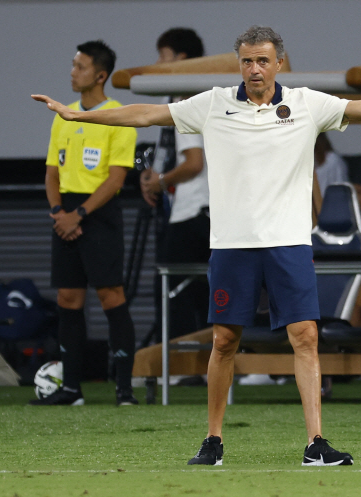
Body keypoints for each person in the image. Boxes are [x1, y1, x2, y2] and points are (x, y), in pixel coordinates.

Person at [32, 25, 361, 465]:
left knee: (306, 336)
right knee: (224, 340)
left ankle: (316, 443)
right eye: (247, 61)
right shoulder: (213, 103)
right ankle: (213, 441)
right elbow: (146, 114)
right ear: (239, 64)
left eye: (263, 60)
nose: (254, 68)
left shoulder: (306, 103)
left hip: (289, 243)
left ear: (278, 63)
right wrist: (77, 116)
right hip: (232, 245)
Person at [30, 40, 139, 406]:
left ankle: (124, 391)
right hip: (64, 213)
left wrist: (79, 215)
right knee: (68, 297)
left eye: (80, 66)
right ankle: (71, 389)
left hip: (99, 214)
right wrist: (59, 212)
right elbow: (51, 173)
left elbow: (116, 178)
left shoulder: (118, 116)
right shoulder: (64, 115)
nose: (73, 72)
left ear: (100, 75)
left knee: (111, 296)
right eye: (73, 65)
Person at [139, 28, 210, 343]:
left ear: (181, 59)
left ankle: (177, 360)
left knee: (172, 290)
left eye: (163, 56)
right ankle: (204, 359)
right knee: (200, 290)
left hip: (193, 210)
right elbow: (173, 152)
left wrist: (162, 181)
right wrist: (154, 176)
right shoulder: (178, 98)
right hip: (200, 210)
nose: (157, 63)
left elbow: (194, 162)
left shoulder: (187, 99)